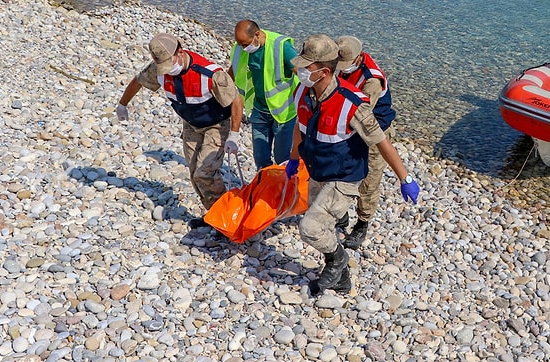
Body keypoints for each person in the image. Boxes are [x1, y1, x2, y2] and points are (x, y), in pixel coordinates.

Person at [285, 34, 420, 297]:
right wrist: (293, 158)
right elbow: (299, 128)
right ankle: (342, 279)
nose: (298, 71)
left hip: (344, 176)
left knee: (310, 228)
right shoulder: (302, 91)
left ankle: (338, 260)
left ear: (324, 71)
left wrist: (405, 178)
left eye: (305, 67)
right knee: (322, 225)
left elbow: (381, 142)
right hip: (319, 171)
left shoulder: (353, 104)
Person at [116, 33, 244, 211]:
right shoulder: (159, 69)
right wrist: (122, 104)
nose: (167, 70)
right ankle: (215, 215)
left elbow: (236, 101)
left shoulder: (210, 74)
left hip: (217, 125)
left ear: (180, 53)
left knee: (204, 173)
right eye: (163, 67)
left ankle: (229, 215)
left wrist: (234, 135)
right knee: (194, 174)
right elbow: (138, 81)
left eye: (170, 64)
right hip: (191, 125)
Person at [334, 35, 397, 249]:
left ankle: (362, 223)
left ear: (358, 59)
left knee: (369, 179)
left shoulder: (372, 80)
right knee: (341, 170)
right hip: (351, 125)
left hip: (373, 129)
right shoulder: (346, 63)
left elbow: (361, 114)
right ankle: (340, 213)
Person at [229, 20, 299, 169]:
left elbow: (304, 75)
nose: (243, 48)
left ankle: (284, 189)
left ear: (257, 34)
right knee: (260, 158)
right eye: (240, 44)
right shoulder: (241, 48)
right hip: (259, 111)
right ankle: (265, 188)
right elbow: (231, 74)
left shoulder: (281, 47)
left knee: (283, 160)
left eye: (245, 44)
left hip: (283, 115)